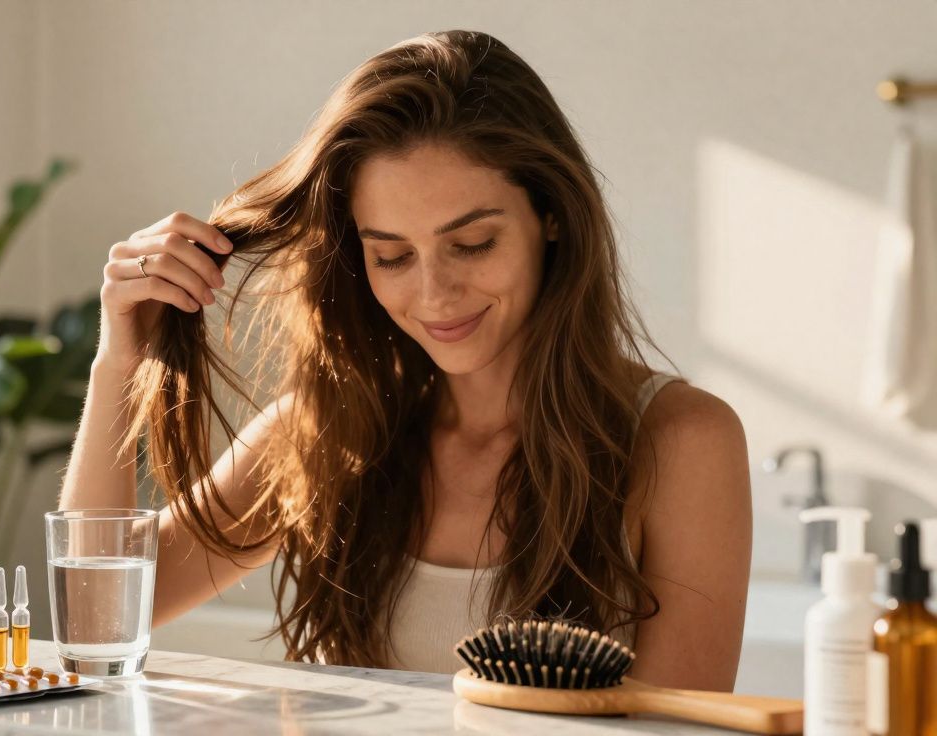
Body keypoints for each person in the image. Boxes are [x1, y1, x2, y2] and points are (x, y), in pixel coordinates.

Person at [59, 29, 751, 689]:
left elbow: (681, 727)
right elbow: (95, 620)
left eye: (472, 244)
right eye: (391, 255)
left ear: (553, 216)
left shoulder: (680, 442)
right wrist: (117, 367)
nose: (435, 294)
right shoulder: (324, 433)